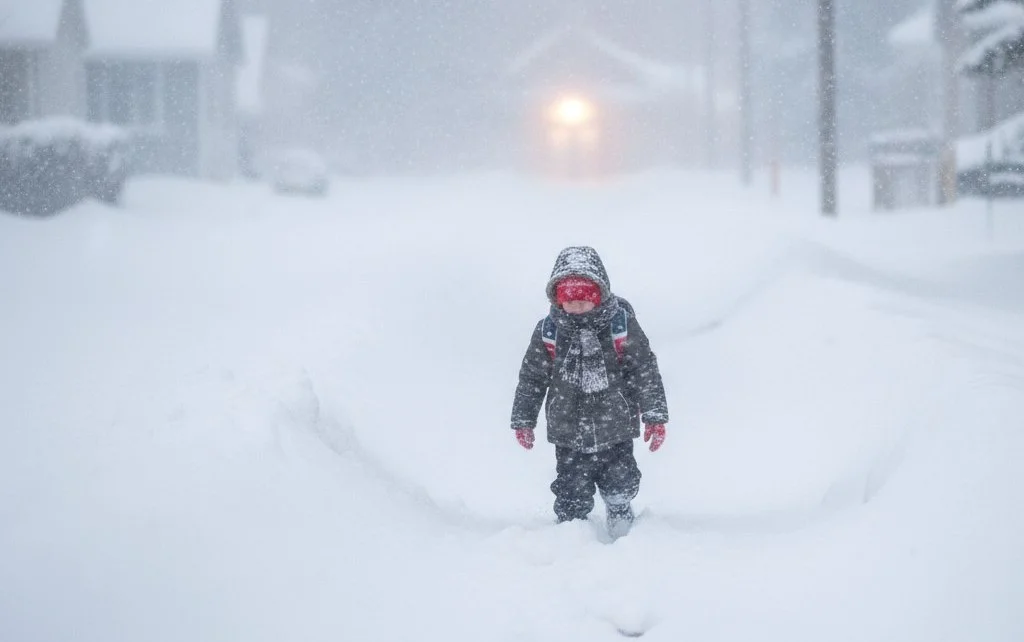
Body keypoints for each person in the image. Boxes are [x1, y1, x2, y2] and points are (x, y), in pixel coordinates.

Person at [510, 246, 669, 537]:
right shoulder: (549, 332)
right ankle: (572, 535)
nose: (577, 305)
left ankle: (620, 516)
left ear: (599, 295)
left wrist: (654, 415)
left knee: (621, 482)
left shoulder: (620, 326)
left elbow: (643, 369)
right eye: (569, 299)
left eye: (585, 297)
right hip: (568, 431)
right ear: (557, 298)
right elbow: (532, 378)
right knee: (570, 490)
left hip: (616, 427)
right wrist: (524, 419)